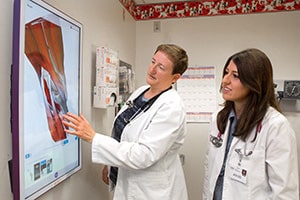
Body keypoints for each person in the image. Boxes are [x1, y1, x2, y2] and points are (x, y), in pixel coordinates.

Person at [62, 44, 189, 200]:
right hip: (130, 180)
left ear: (175, 77)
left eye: (161, 67)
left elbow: (144, 155)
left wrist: (94, 138)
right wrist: (110, 164)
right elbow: (123, 130)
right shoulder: (141, 92)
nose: (152, 69)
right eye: (153, 61)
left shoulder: (172, 107)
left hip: (151, 192)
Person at [203, 48, 299, 199]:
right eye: (226, 72)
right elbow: (210, 174)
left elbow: (285, 192)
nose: (225, 80)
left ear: (254, 83)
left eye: (235, 76)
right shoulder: (219, 118)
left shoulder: (276, 126)